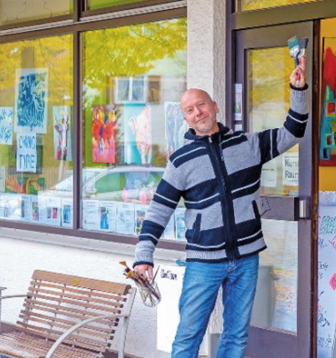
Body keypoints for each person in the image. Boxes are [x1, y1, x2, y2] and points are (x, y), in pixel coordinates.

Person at [132, 55, 308, 358]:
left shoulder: (248, 145)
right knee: (189, 336)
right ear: (186, 119)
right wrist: (143, 256)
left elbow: (293, 132)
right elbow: (159, 211)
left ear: (214, 106)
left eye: (201, 105)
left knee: (236, 336)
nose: (198, 112)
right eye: (190, 110)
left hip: (246, 258)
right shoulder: (180, 162)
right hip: (204, 261)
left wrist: (298, 90)